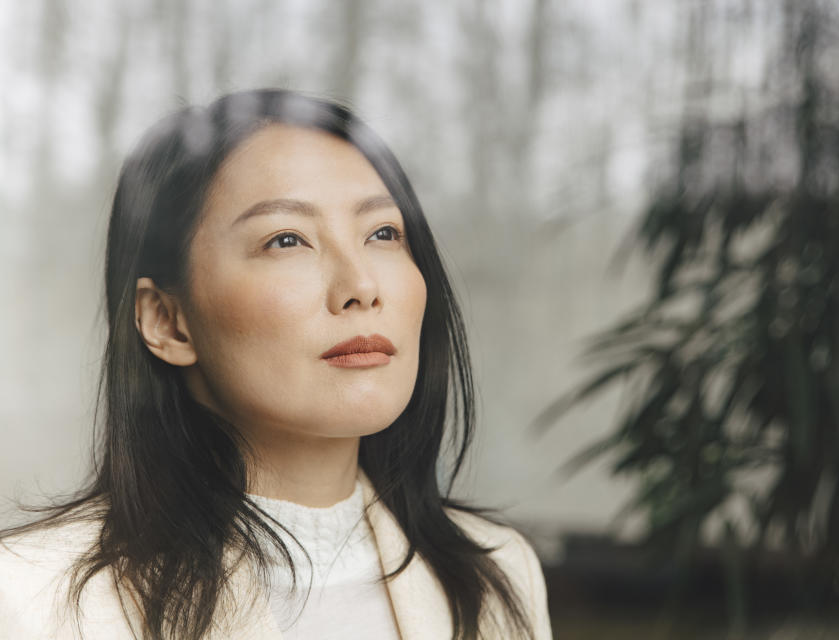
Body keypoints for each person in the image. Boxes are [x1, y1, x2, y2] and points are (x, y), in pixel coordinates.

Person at [0, 89, 552, 639]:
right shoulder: (29, 598)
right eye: (287, 240)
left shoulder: (499, 572)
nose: (360, 286)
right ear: (167, 321)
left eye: (383, 233)